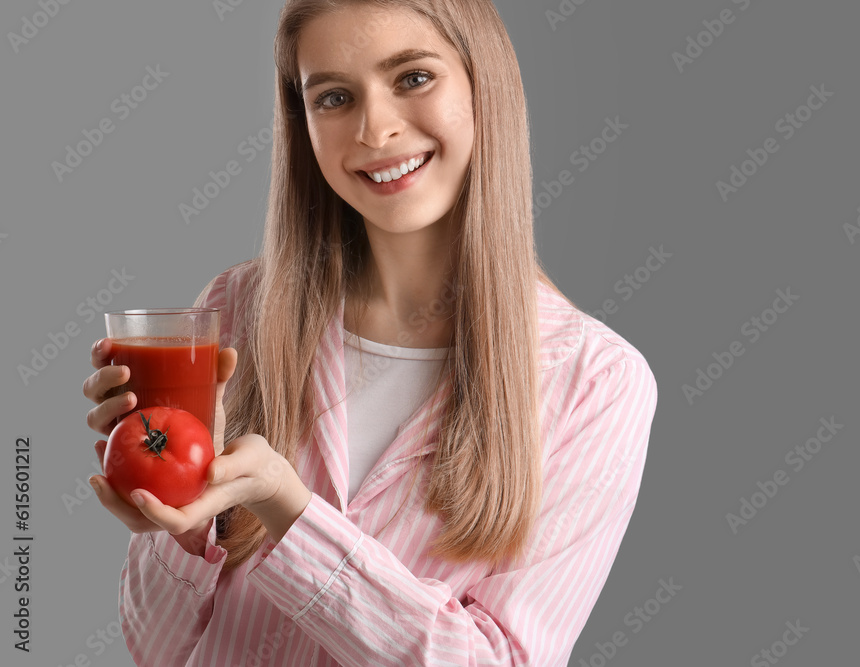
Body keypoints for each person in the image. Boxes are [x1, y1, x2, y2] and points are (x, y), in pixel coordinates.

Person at [82, 0, 658, 664]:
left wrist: (288, 510)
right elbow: (153, 648)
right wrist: (176, 516)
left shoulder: (595, 382)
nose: (374, 128)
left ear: (483, 82)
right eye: (332, 97)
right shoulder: (236, 306)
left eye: (413, 77)